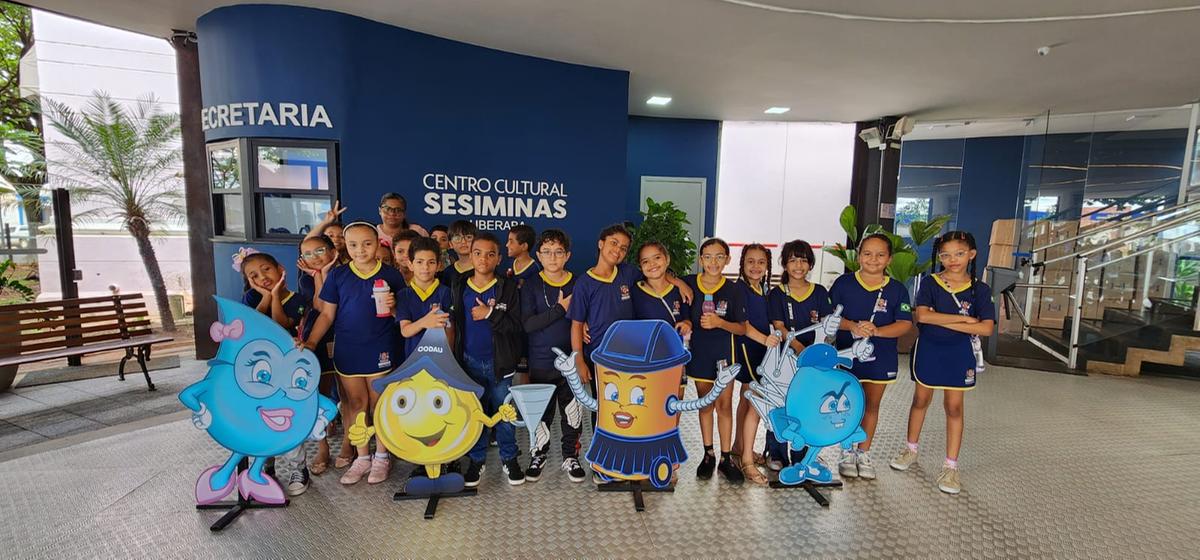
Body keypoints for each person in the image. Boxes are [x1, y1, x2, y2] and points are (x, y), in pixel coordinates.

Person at [566, 224, 692, 478]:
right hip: (602, 358)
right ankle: (604, 464)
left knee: (633, 408)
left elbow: (655, 273)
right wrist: (578, 359)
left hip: (631, 358)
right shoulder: (584, 283)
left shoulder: (626, 274)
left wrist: (678, 281)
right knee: (604, 410)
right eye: (613, 243)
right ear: (601, 244)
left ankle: (633, 460)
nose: (618, 250)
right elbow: (576, 324)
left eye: (623, 248)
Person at [891, 231, 994, 495]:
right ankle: (910, 450)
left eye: (959, 253)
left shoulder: (980, 289)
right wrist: (966, 321)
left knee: (954, 407)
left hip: (960, 355)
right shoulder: (930, 283)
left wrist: (947, 319)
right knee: (920, 401)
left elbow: (986, 328)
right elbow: (923, 317)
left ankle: (951, 467)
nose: (952, 260)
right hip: (928, 350)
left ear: (971, 254)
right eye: (945, 254)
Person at [302, 221, 405, 486]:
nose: (361, 250)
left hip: (381, 347)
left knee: (379, 404)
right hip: (347, 349)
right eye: (353, 245)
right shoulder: (338, 276)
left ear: (378, 243)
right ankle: (362, 457)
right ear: (345, 247)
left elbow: (403, 315)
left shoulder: (392, 275)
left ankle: (382, 456)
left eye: (367, 243)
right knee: (356, 405)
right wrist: (311, 342)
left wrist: (394, 308)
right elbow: (326, 314)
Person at [829, 233, 913, 481]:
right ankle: (846, 452)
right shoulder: (844, 284)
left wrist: (877, 331)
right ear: (858, 256)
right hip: (847, 357)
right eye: (867, 253)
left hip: (881, 358)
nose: (873, 259)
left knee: (871, 405)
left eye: (880, 254)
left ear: (889, 258)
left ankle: (863, 452)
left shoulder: (897, 290)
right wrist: (853, 326)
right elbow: (830, 317)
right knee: (848, 404)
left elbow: (904, 324)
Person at [449, 232, 525, 487]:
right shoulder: (459, 286)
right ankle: (476, 460)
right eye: (478, 253)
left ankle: (509, 458)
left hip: (500, 363)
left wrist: (490, 313)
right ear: (470, 256)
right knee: (476, 412)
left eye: (490, 254)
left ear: (498, 258)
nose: (483, 258)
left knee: (504, 412)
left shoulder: (508, 287)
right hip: (469, 362)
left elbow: (516, 325)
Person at [236, 250, 313, 496]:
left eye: (266, 269)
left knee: (287, 417)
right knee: (260, 417)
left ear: (280, 268)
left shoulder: (297, 299)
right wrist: (265, 296)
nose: (262, 277)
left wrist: (275, 296)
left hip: (287, 370)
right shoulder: (250, 299)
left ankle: (298, 467)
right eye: (254, 275)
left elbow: (282, 325)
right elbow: (252, 323)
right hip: (258, 371)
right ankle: (264, 464)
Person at [519, 228, 587, 483]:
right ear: (538, 255)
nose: (553, 257)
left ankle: (571, 455)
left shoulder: (578, 283)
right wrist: (561, 308)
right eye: (546, 252)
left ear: (567, 255)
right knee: (541, 413)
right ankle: (539, 453)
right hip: (540, 361)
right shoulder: (531, 284)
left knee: (572, 412)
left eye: (558, 252)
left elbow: (584, 320)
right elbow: (528, 324)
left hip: (570, 361)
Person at [683, 238, 748, 484]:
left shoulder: (734, 290)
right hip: (700, 354)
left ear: (728, 260)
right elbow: (668, 278)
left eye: (719, 256)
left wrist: (720, 323)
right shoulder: (690, 282)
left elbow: (741, 328)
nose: (713, 262)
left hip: (725, 356)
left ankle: (726, 458)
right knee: (705, 404)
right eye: (707, 257)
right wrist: (678, 281)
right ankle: (708, 453)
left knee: (724, 405)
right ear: (700, 260)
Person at [764, 240, 832, 472]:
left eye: (803, 260)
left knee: (808, 406)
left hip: (812, 364)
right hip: (784, 360)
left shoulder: (820, 292)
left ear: (810, 264)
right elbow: (779, 326)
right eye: (792, 260)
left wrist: (819, 350)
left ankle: (804, 453)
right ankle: (776, 452)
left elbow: (826, 325)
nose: (798, 265)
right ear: (784, 264)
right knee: (781, 403)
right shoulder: (777, 293)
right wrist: (800, 348)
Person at [296, 235, 351, 477]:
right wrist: (319, 275)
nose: (314, 257)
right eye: (307, 254)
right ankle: (322, 448)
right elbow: (320, 308)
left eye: (319, 251)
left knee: (349, 397)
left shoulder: (348, 273)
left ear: (332, 250)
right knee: (318, 395)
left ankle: (349, 444)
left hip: (347, 337)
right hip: (315, 338)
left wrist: (327, 273)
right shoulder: (306, 278)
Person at [730, 243, 781, 485]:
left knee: (746, 399)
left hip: (762, 352)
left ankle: (739, 448)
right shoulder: (740, 290)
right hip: (749, 350)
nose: (756, 266)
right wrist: (765, 340)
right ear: (742, 264)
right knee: (755, 405)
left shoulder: (762, 288)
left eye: (761, 262)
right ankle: (747, 461)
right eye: (750, 261)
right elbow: (745, 324)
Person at [630, 241, 692, 399]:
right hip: (646, 358)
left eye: (657, 257)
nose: (652, 264)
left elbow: (688, 319)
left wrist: (686, 324)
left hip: (675, 355)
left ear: (667, 259)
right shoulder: (635, 290)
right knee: (648, 401)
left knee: (675, 400)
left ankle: (674, 425)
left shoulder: (679, 291)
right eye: (645, 261)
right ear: (640, 266)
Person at [396, 236, 454, 357]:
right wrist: (424, 322)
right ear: (410, 264)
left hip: (439, 359)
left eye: (431, 262)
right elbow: (405, 331)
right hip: (413, 360)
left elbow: (450, 329)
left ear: (439, 265)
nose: (425, 267)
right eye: (419, 262)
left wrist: (448, 357)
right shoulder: (404, 295)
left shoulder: (446, 293)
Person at [505, 224, 538, 384]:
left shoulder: (534, 271)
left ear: (524, 246)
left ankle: (526, 405)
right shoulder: (511, 266)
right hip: (512, 325)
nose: (507, 245)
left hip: (526, 328)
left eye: (511, 241)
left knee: (525, 369)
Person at [439, 220, 476, 287]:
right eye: (457, 238)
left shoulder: (482, 269)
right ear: (450, 244)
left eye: (468, 237)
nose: (463, 241)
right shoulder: (448, 272)